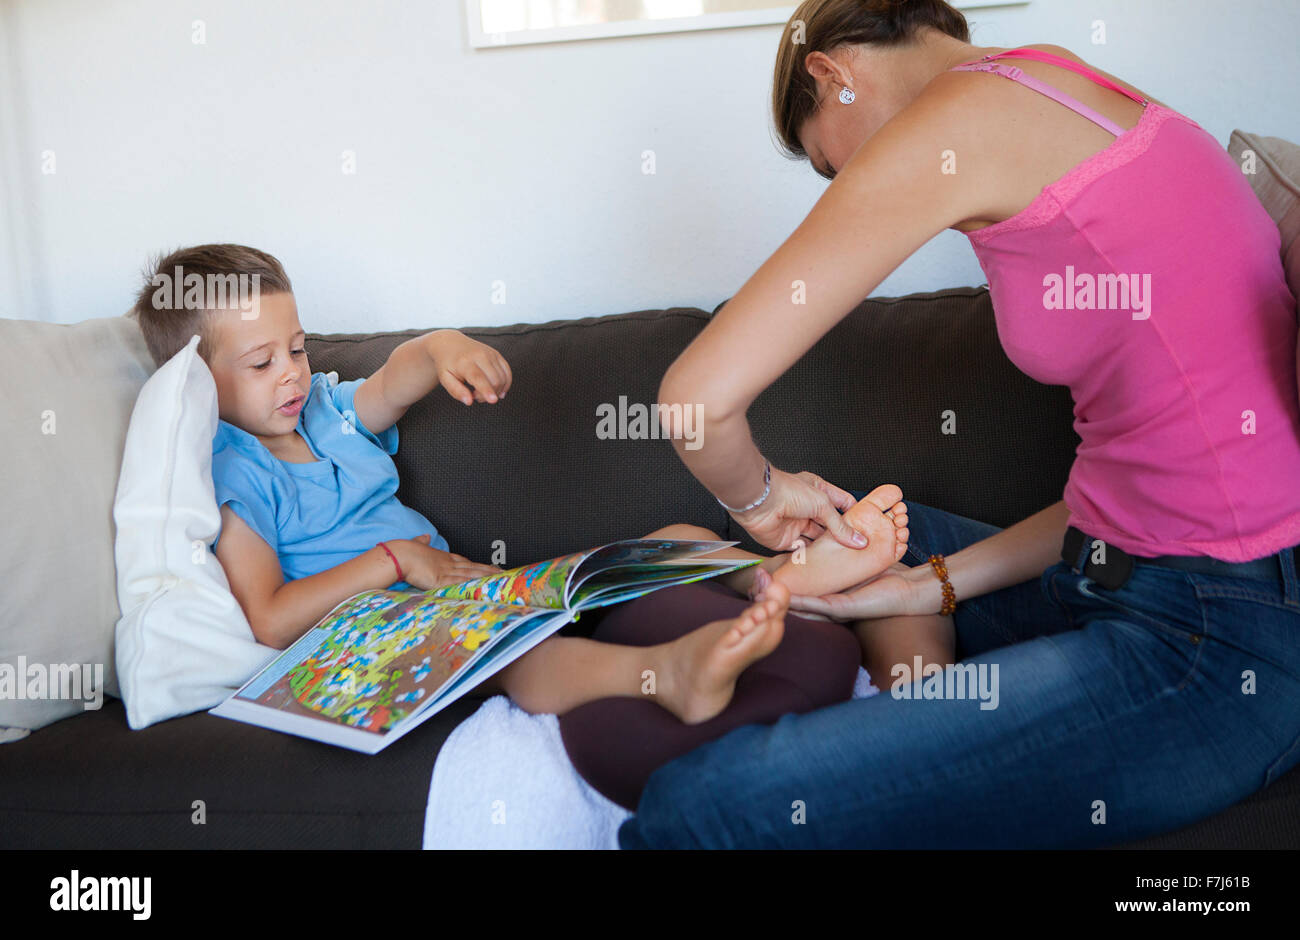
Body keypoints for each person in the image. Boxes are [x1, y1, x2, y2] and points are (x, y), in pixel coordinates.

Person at [617, 0, 1300, 848]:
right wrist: (924, 584)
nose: (853, 190)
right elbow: (1135, 485)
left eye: (837, 163)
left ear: (833, 73)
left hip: (1219, 644)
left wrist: (760, 496)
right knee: (870, 532)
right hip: (1139, 573)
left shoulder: (961, 117)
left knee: (705, 807)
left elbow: (695, 400)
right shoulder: (1064, 78)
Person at [129, 243, 916, 768]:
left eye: (298, 348)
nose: (293, 374)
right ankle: (665, 675)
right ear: (201, 384)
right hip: (375, 636)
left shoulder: (330, 416)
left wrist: (442, 348)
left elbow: (395, 379)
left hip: (458, 590)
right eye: (263, 362)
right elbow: (268, 617)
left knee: (671, 536)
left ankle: (781, 575)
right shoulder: (235, 474)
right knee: (517, 658)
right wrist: (396, 561)